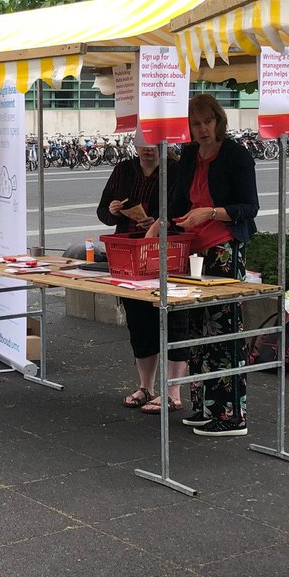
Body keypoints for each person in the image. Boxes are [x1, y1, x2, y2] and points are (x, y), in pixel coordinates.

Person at [157, 93, 260, 437]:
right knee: (198, 332)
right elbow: (177, 200)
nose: (201, 129)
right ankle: (204, 407)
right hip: (193, 249)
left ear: (218, 121)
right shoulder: (188, 154)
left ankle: (232, 415)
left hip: (224, 248)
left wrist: (211, 213)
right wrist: (161, 221)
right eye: (195, 123)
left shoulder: (235, 155)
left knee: (224, 331)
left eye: (206, 121)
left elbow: (250, 207)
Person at [96, 145, 184, 411]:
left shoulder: (176, 170)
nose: (148, 151)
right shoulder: (123, 169)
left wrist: (160, 222)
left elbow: (185, 212)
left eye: (154, 146)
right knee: (138, 318)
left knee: (174, 320)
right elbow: (102, 212)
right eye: (143, 146)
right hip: (129, 253)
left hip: (167, 252)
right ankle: (146, 386)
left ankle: (173, 393)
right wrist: (112, 210)